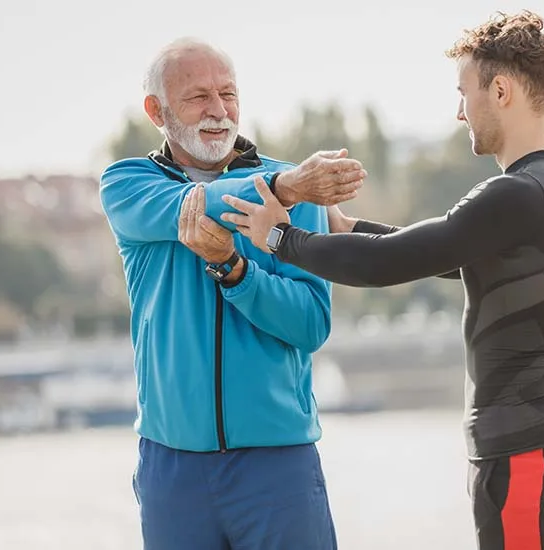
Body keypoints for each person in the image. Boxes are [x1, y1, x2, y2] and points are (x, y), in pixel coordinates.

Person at [220, 11, 544, 550]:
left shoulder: (516, 193)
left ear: (500, 91)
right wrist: (350, 226)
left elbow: (391, 262)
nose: (458, 112)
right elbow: (446, 253)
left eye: (463, 92)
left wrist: (280, 239)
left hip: (527, 446)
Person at [99, 38, 366, 550]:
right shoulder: (128, 183)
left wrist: (237, 272)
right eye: (198, 97)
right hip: (172, 469)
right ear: (156, 110)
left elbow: (311, 324)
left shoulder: (296, 187)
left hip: (278, 464)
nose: (219, 112)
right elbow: (192, 206)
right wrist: (285, 188)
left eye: (228, 94)